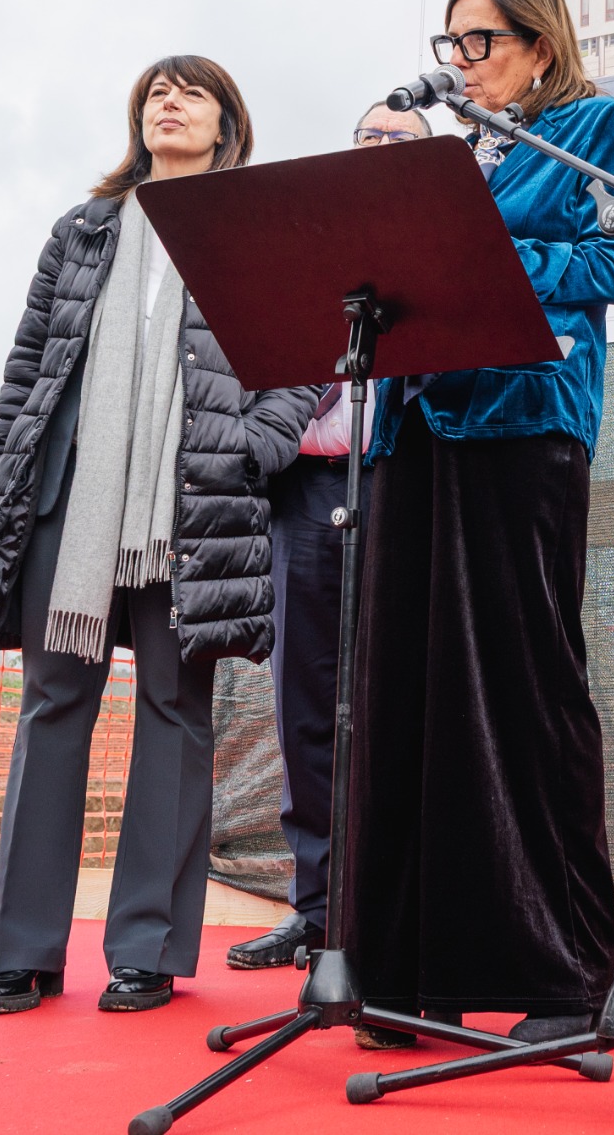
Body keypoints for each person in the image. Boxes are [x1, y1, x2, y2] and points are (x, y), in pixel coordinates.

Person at [0, 57, 317, 1016]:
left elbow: (304, 358)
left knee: (174, 708)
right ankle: (19, 951)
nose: (169, 101)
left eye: (191, 91)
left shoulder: (258, 232)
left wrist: (256, 444)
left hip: (194, 509)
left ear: (226, 123)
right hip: (67, 506)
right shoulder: (82, 231)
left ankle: (147, 951)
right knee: (51, 708)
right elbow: (27, 374)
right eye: (155, 90)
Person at [346, 0, 614, 1047]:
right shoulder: (453, 148)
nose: (458, 63)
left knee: (524, 687)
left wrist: (478, 245)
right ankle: (413, 970)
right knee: (406, 697)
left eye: (479, 43)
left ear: (538, 48)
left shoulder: (590, 126)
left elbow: (607, 260)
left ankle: (562, 972)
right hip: (414, 430)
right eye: (450, 45)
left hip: (526, 425)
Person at [227, 100, 431, 974]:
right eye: (367, 138)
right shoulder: (302, 249)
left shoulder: (442, 249)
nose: (380, 151)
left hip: (409, 483)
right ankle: (315, 912)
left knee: (401, 706)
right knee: (307, 710)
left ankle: (397, 913)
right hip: (308, 486)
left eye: (401, 142)